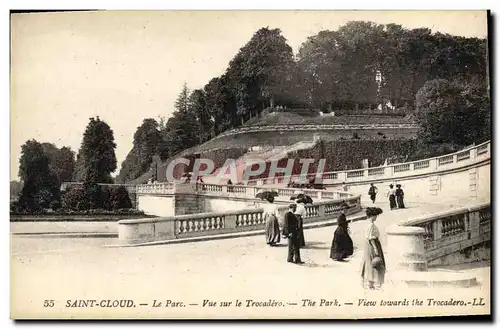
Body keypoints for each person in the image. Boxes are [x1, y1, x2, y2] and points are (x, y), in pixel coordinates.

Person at [360, 207, 386, 290]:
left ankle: (370, 283)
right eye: (375, 215)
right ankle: (372, 283)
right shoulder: (371, 225)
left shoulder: (369, 224)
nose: (376, 217)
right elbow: (371, 238)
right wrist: (375, 248)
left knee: (369, 263)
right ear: (371, 216)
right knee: (374, 262)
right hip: (372, 245)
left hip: (369, 245)